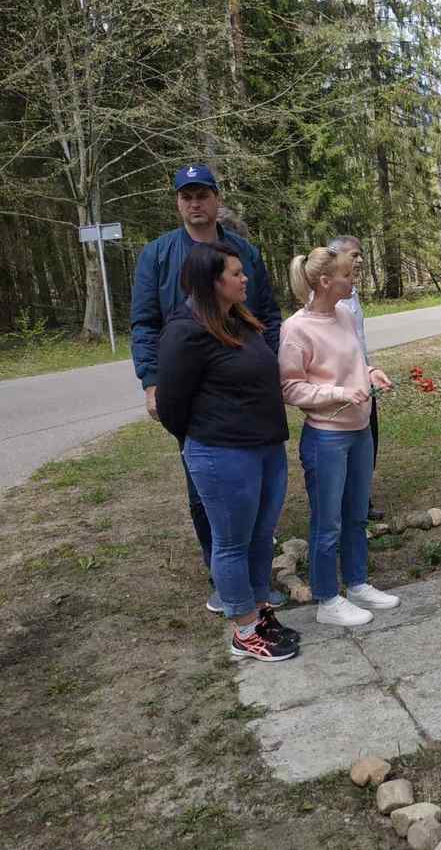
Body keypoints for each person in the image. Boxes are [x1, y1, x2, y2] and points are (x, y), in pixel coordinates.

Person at [131, 164, 283, 614]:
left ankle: (252, 580)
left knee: (258, 488)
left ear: (217, 199)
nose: (194, 203)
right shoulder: (159, 254)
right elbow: (145, 323)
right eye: (186, 196)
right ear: (178, 203)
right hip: (193, 390)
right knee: (204, 488)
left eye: (202, 195)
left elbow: (269, 315)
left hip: (249, 392)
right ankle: (222, 574)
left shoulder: (242, 252)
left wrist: (268, 364)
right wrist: (152, 381)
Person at [155, 243, 297, 661]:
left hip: (264, 446)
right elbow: (170, 406)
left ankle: (259, 613)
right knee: (232, 542)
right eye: (236, 273)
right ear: (212, 282)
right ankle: (244, 629)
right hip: (223, 452)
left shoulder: (237, 319)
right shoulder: (185, 331)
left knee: (260, 536)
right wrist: (202, 443)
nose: (245, 278)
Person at [280, 246, 398, 627]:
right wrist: (340, 393)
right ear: (326, 281)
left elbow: (355, 360)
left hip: (360, 431)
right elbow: (290, 388)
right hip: (326, 438)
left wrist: (371, 372)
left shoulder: (345, 314)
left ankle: (358, 583)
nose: (354, 278)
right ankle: (327, 598)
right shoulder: (296, 329)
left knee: (355, 515)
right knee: (326, 522)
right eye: (348, 274)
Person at [327, 235, 385, 522]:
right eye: (354, 255)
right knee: (346, 444)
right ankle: (346, 506)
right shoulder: (327, 299)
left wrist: (370, 371)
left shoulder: (353, 294)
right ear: (334, 257)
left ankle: (361, 499)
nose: (360, 260)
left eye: (361, 255)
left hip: (365, 380)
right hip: (343, 388)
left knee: (369, 440)